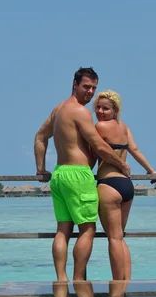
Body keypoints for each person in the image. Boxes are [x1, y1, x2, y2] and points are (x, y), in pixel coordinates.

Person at [34, 67, 131, 282]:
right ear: (74, 84)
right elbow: (99, 146)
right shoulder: (80, 111)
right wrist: (121, 164)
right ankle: (79, 281)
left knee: (63, 230)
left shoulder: (58, 110)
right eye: (86, 87)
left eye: (94, 88)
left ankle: (61, 280)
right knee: (87, 228)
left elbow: (40, 137)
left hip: (59, 175)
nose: (90, 92)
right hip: (78, 175)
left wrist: (40, 169)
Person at [92, 90, 156, 280]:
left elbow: (95, 152)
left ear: (115, 110)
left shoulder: (99, 126)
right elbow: (135, 150)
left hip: (108, 184)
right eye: (97, 107)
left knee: (113, 238)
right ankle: (126, 282)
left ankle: (117, 284)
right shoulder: (124, 128)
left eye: (105, 108)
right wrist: (150, 170)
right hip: (127, 186)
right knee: (120, 237)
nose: (100, 111)